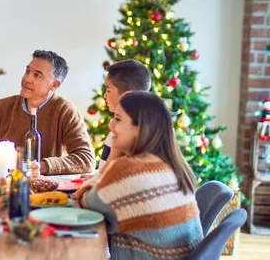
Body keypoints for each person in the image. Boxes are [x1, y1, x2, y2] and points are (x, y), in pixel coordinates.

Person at [72, 92, 202, 260]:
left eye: (118, 119)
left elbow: (86, 204)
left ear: (140, 128)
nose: (111, 126)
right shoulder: (169, 164)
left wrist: (102, 172)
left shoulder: (129, 170)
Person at [0, 50, 95, 175]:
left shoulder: (65, 110)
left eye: (37, 75)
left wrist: (41, 166)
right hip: (2, 185)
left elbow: (86, 159)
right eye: (27, 71)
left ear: (54, 85)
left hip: (45, 190)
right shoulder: (1, 107)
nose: (27, 79)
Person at [99, 59, 151, 171]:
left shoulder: (125, 136)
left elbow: (108, 181)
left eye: (108, 90)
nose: (104, 95)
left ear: (127, 95)